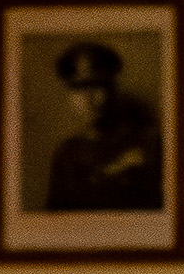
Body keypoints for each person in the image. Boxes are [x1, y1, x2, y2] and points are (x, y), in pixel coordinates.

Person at [42, 38, 165, 214]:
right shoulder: (66, 154)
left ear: (113, 87)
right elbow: (53, 223)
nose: (88, 98)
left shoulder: (148, 142)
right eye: (78, 87)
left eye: (97, 84)